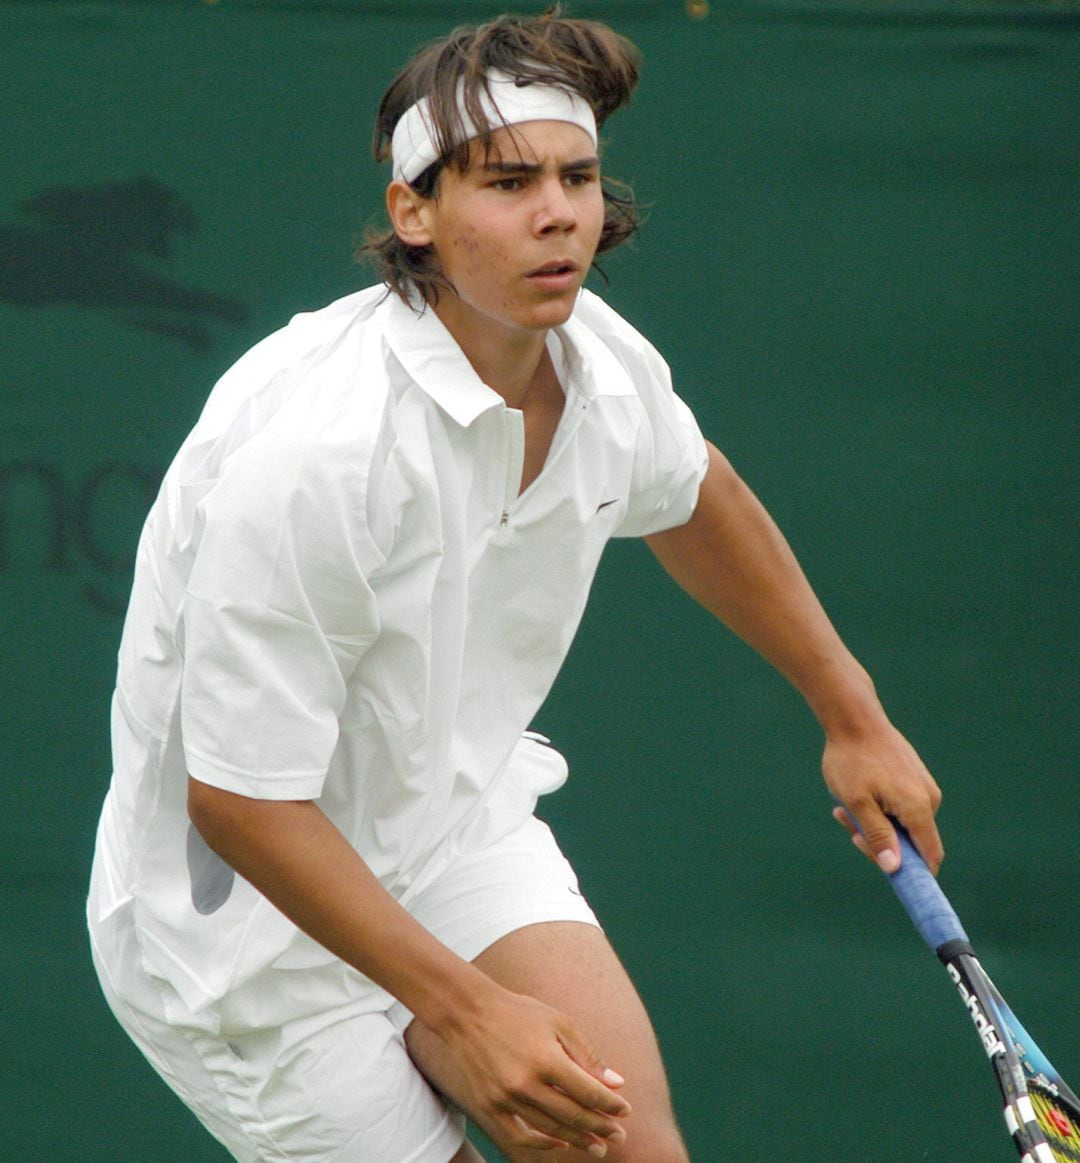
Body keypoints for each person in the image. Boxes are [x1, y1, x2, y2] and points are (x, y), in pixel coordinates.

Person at [87, 10, 943, 1162]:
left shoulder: (603, 363)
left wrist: (853, 712)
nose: (557, 212)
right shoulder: (316, 454)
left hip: (452, 828)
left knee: (627, 1148)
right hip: (250, 938)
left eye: (577, 176)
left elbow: (697, 493)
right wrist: (460, 1008)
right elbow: (240, 803)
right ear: (415, 212)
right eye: (506, 182)